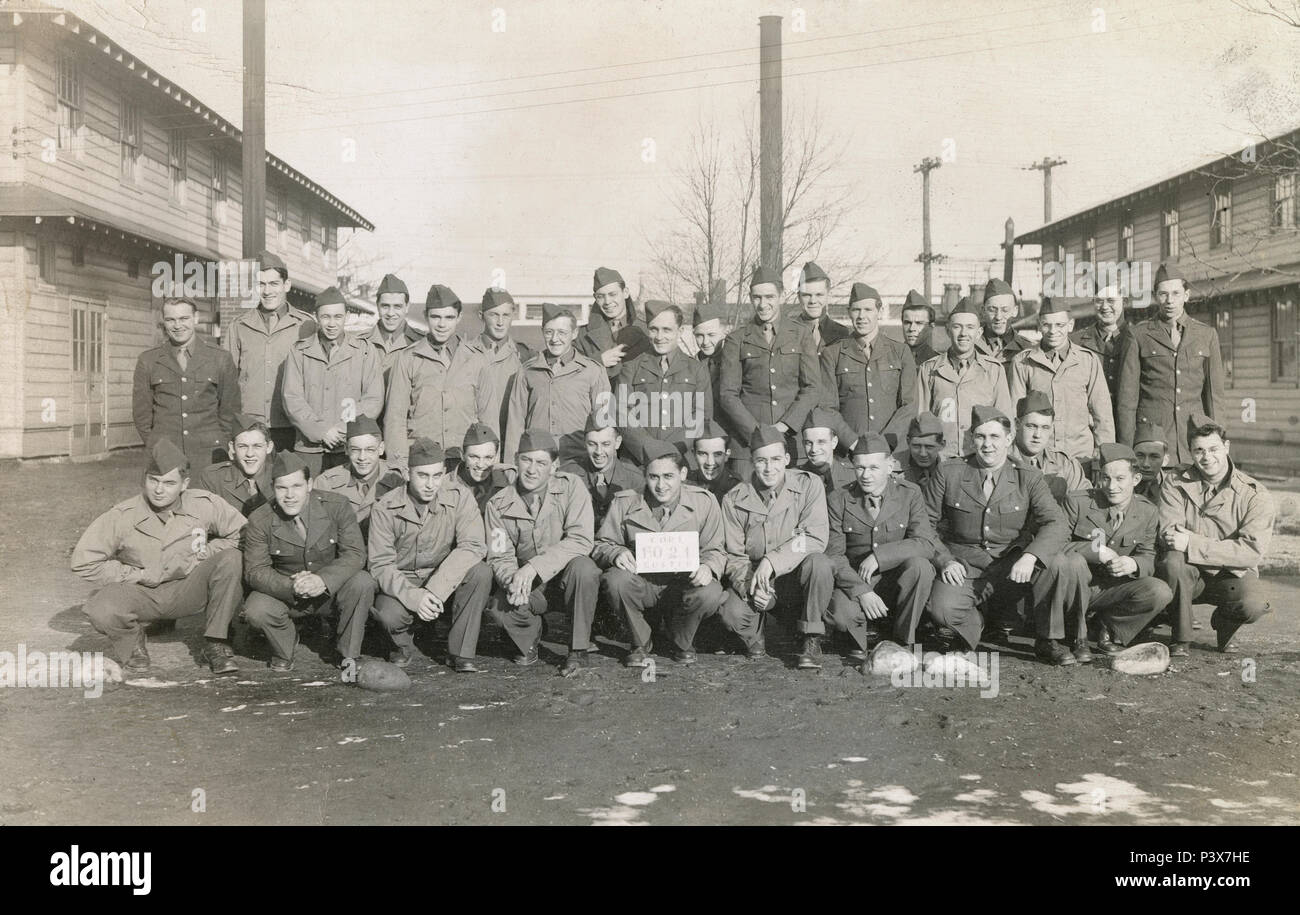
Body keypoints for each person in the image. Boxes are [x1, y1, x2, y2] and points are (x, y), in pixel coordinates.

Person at [72, 441, 246, 675]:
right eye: (153, 480)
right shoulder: (123, 515)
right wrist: (136, 574)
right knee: (99, 608)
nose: (159, 490)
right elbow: (84, 561)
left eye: (169, 483)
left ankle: (216, 642)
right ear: (144, 479)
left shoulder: (204, 504)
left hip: (189, 587)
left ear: (184, 484)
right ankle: (132, 643)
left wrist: (208, 552)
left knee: (232, 559)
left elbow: (243, 534)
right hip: (142, 591)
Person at [922, 404, 1070, 653]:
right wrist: (945, 560)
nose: (987, 445)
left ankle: (1048, 639)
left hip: (1012, 565)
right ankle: (977, 623)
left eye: (995, 437)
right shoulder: (949, 472)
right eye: (980, 436)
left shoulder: (1028, 476)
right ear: (971, 438)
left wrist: (1031, 556)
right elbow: (924, 523)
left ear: (1009, 438)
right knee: (942, 611)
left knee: (1058, 562)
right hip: (966, 564)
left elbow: (1057, 523)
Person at [595, 440, 754, 666]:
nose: (661, 485)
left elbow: (716, 549)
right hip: (644, 584)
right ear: (645, 475)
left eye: (668, 476)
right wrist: (616, 553)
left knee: (710, 591)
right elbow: (602, 543)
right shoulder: (626, 503)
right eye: (653, 477)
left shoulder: (703, 502)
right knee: (615, 580)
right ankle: (641, 640)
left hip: (682, 586)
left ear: (683, 473)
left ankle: (681, 639)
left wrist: (708, 567)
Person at [368, 438, 492, 673]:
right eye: (422, 475)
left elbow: (474, 544)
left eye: (436, 476)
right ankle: (402, 645)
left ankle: (461, 652)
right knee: (388, 615)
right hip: (403, 581)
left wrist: (435, 590)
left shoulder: (459, 497)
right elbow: (380, 564)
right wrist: (415, 597)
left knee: (481, 572)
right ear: (407, 473)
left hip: (442, 577)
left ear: (444, 473)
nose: (430, 484)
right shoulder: (385, 507)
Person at [242, 452, 373, 670]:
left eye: (297, 486)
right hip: (288, 595)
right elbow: (255, 571)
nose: (290, 495)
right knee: (256, 608)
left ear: (310, 485)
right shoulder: (260, 519)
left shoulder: (336, 506)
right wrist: (291, 585)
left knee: (362, 582)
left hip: (328, 594)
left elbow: (355, 553)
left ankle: (348, 654)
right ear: (273, 488)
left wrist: (322, 580)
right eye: (282, 488)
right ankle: (284, 646)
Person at [484, 430, 601, 675]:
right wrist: (511, 581)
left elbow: (581, 539)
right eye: (526, 460)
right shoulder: (497, 504)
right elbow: (499, 555)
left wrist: (534, 567)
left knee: (585, 568)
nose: (532, 469)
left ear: (554, 465)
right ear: (516, 459)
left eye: (541, 463)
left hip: (565, 581)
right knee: (498, 609)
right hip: (529, 585)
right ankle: (532, 633)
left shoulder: (572, 488)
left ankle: (578, 650)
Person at [1156, 415, 1273, 656]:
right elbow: (1169, 533)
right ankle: (1181, 637)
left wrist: (1192, 541)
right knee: (1173, 561)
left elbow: (1250, 553)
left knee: (1253, 604)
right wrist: (1221, 548)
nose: (1207, 457)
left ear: (1226, 447)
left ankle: (1224, 622)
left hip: (1229, 576)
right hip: (1188, 574)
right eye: (1198, 450)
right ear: (1190, 451)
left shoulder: (1254, 494)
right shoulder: (1175, 482)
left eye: (1213, 449)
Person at [720, 425, 833, 669]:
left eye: (775, 459)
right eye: (761, 461)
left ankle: (810, 639)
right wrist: (751, 587)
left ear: (788, 459)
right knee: (731, 613)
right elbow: (734, 554)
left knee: (820, 564)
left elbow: (813, 536)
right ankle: (755, 636)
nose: (769, 468)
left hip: (794, 579)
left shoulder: (808, 485)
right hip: (755, 580)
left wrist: (772, 561)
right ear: (752, 462)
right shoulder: (734, 499)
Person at [1048, 443, 1172, 664]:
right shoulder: (1078, 502)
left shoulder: (1147, 511)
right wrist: (1097, 551)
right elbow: (1054, 545)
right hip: (1075, 587)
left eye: (1120, 479)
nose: (1112, 486)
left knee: (1159, 591)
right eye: (1106, 478)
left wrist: (1134, 564)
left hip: (1110, 590)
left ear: (1136, 479)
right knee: (1075, 561)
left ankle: (1107, 628)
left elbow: (1148, 555)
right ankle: (1077, 636)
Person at [825, 434, 938, 658]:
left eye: (874, 468)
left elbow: (925, 543)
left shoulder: (909, 493)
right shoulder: (839, 498)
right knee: (840, 615)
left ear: (890, 466)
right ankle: (863, 634)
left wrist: (879, 557)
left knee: (921, 567)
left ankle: (903, 640)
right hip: (857, 580)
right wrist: (862, 591)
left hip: (895, 582)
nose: (866, 475)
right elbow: (835, 555)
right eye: (860, 468)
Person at [1116, 261, 1225, 465]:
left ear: (1186, 295)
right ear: (1156, 296)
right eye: (1163, 294)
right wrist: (1126, 450)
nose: (1169, 300)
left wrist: (1217, 443)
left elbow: (1214, 396)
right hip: (1152, 441)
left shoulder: (1206, 334)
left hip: (1194, 440)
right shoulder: (1138, 335)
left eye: (1175, 293)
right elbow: (1127, 400)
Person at [717, 266, 823, 474]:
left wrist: (785, 425)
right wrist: (756, 432)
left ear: (781, 296)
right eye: (757, 297)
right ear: (750, 297)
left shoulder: (801, 335)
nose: (763, 304)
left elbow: (812, 387)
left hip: (791, 442)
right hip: (748, 446)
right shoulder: (736, 339)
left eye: (769, 297)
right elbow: (727, 394)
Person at [384, 284, 492, 475]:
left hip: (464, 461)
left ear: (459, 317)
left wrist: (489, 464)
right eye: (436, 317)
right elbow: (395, 417)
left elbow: (488, 417)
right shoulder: (408, 358)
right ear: (426, 316)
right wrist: (398, 465)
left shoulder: (477, 359)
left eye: (449, 317)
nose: (442, 324)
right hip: (421, 460)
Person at [282, 286, 384, 475]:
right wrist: (321, 431)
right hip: (309, 448)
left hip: (348, 448)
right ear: (316, 316)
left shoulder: (365, 351)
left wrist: (344, 429)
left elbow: (373, 399)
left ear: (346, 316)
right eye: (325, 317)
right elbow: (292, 398)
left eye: (338, 317)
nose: (331, 323)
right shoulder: (299, 351)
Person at [133, 295, 241, 470]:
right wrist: (158, 445)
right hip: (164, 455)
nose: (177, 326)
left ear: (196, 318)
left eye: (184, 318)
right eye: (170, 320)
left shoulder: (220, 358)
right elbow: (142, 416)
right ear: (164, 321)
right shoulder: (148, 360)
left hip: (209, 456)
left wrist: (221, 443)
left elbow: (230, 412)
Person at [225, 251, 316, 453]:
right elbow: (227, 382)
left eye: (273, 283)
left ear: (287, 285)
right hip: (250, 427)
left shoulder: (306, 326)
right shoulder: (239, 326)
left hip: (292, 426)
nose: (267, 291)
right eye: (261, 284)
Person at [1008, 298, 1114, 460]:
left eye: (1060, 325)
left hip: (1080, 456)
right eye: (1046, 325)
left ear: (1070, 325)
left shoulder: (1088, 360)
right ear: (1038, 325)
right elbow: (1015, 414)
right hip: (1039, 456)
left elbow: (1102, 412)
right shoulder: (1023, 362)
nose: (1052, 331)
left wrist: (1105, 452)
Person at [504, 304, 610, 463]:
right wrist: (511, 468)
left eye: (562, 332)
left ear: (574, 333)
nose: (554, 339)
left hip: (578, 462)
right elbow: (515, 424)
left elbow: (604, 424)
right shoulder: (527, 371)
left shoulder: (593, 371)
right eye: (549, 332)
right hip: (537, 461)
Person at [611, 301, 713, 465]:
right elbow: (622, 414)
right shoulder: (630, 368)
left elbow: (701, 415)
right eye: (654, 329)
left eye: (667, 330)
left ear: (680, 331)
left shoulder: (697, 370)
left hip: (682, 459)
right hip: (638, 461)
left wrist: (674, 450)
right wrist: (648, 447)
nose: (659, 337)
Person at [820, 282, 917, 446]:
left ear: (880, 312)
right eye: (856, 310)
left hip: (891, 450)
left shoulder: (900, 352)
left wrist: (885, 443)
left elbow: (909, 405)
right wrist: (851, 442)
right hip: (848, 454)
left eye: (868, 310)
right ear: (849, 312)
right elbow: (828, 407)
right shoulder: (833, 354)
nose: (861, 316)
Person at [915, 296, 1013, 458]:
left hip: (980, 458)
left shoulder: (993, 370)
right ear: (947, 330)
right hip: (942, 460)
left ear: (979, 332)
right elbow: (922, 419)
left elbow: (1005, 421)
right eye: (957, 327)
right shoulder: (929, 369)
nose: (963, 334)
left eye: (969, 327)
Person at [312, 415, 404, 536]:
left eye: (370, 450)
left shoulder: (397, 479)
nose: (362, 457)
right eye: (355, 449)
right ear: (346, 449)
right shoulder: (326, 483)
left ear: (381, 449)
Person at [463, 287, 532, 440]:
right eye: (494, 315)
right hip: (475, 442)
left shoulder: (525, 356)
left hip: (512, 439)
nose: (500, 322)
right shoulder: (464, 354)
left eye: (506, 315)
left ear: (513, 316)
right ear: (481, 316)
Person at [559, 414, 641, 528]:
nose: (598, 451)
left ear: (617, 443)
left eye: (605, 444)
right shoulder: (568, 474)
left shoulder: (635, 479)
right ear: (584, 442)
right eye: (592, 444)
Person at [1009, 391, 1089, 503]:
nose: (1038, 435)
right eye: (1031, 426)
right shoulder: (1001, 460)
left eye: (1045, 427)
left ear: (1051, 428)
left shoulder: (1065, 464)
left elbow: (1085, 504)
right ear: (1017, 424)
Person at [1071, 284, 1130, 427]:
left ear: (1125, 301)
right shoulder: (1075, 342)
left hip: (1127, 425)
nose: (1104, 307)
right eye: (1099, 301)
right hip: (1089, 425)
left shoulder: (1137, 338)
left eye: (1111, 300)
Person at [194, 413, 276, 517]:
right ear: (232, 448)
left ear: (269, 447)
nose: (250, 454)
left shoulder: (279, 477)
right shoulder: (213, 478)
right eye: (242, 446)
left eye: (257, 446)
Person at [577, 266, 644, 379]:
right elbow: (568, 375)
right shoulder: (581, 336)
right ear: (595, 298)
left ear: (626, 292)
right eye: (601, 296)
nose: (607, 301)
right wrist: (598, 361)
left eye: (613, 294)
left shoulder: (646, 330)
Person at [358, 273, 423, 383]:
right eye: (385, 306)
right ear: (377, 306)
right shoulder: (360, 343)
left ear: (407, 307)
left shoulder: (421, 343)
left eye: (397, 306)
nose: (390, 313)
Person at [974, 278, 1033, 378]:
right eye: (992, 310)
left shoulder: (1027, 349)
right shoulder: (971, 345)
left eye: (1005, 310)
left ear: (1015, 311)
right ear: (983, 311)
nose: (998, 317)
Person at [455, 422, 517, 513]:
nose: (480, 465)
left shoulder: (509, 478)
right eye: (474, 457)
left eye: (488, 458)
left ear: (496, 457)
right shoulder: (445, 486)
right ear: (462, 455)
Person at [793, 261, 851, 351]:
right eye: (807, 295)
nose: (813, 301)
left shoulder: (841, 333)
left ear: (828, 295)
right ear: (799, 297)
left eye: (819, 295)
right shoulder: (786, 332)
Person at [798, 407, 856, 495]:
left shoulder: (853, 477)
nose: (814, 449)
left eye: (821, 442)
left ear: (834, 442)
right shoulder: (794, 477)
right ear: (803, 444)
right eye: (809, 443)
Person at [687, 421, 744, 501]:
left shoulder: (736, 487)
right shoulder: (687, 483)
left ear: (727, 455)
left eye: (717, 454)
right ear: (694, 455)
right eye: (703, 454)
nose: (710, 462)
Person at [895, 412, 947, 487]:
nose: (922, 454)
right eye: (916, 446)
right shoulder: (889, 467)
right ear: (908, 442)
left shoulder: (952, 470)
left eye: (929, 447)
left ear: (942, 445)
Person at [692, 298, 729, 401]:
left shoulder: (734, 363)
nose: (705, 342)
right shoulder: (689, 366)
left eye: (711, 335)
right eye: (700, 335)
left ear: (725, 332)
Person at [1132, 422, 1174, 502]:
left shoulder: (1174, 488)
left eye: (1154, 457)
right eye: (1140, 456)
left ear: (1165, 460)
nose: (1146, 464)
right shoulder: (1121, 486)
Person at [901, 291, 941, 367]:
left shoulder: (938, 362)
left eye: (919, 323)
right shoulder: (890, 358)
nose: (912, 329)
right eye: (907, 322)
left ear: (931, 327)